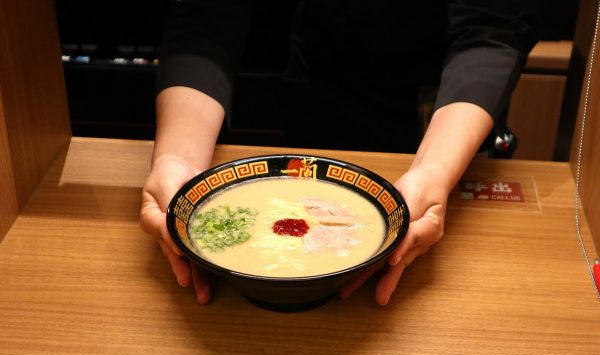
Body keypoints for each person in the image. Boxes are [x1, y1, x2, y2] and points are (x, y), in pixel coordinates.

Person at [140, 0, 538, 305]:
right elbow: (208, 16)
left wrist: (434, 171)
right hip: (319, 83)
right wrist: (178, 160)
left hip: (440, 109)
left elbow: (492, 30)